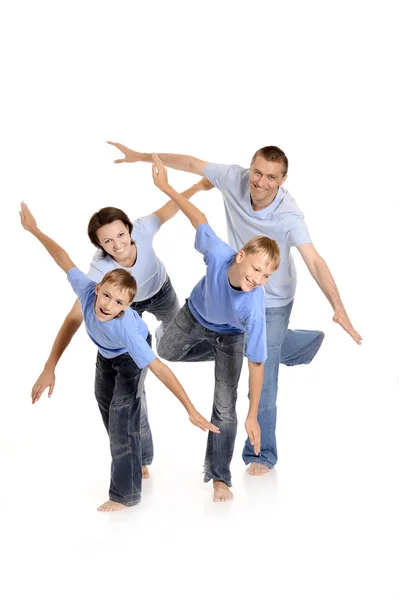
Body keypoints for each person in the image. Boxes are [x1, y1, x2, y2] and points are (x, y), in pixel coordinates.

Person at [108, 141, 362, 477]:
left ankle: (261, 453)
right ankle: (300, 344)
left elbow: (314, 259)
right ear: (250, 168)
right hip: (234, 285)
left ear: (281, 181)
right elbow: (191, 161)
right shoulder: (233, 179)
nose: (260, 182)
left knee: (264, 373)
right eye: (257, 172)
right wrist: (142, 157)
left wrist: (338, 305)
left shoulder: (289, 216)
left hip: (271, 297)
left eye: (271, 177)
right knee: (259, 350)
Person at [19, 202, 219, 512]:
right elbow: (62, 258)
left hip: (128, 357)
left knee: (122, 417)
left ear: (127, 308)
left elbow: (159, 368)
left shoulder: (126, 328)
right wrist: (35, 230)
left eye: (119, 303)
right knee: (106, 403)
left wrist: (190, 409)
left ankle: (125, 494)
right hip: (106, 356)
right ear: (97, 287)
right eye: (107, 295)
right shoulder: (87, 292)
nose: (109, 305)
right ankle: (142, 455)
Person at [151, 154, 280, 502]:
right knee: (164, 350)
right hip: (194, 314)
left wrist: (253, 414)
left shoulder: (254, 304)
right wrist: (168, 187)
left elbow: (257, 364)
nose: (258, 279)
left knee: (226, 406)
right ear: (240, 256)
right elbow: (198, 218)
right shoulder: (220, 253)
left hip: (231, 336)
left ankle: (220, 477)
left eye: (266, 276)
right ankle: (234, 359)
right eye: (256, 270)